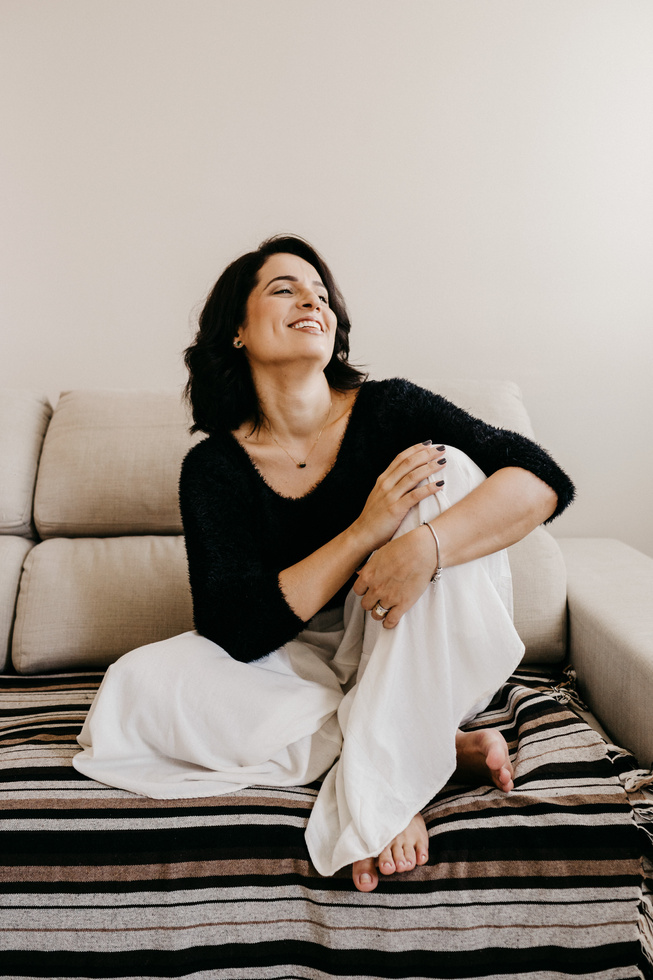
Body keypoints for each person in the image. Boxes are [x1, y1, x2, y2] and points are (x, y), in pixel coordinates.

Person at [74, 235, 574, 893]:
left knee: (447, 468)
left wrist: (420, 549)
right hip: (302, 667)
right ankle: (428, 747)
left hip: (415, 639)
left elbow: (542, 479)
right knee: (136, 685)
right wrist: (365, 531)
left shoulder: (391, 408)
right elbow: (237, 629)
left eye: (320, 293)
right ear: (236, 331)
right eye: (284, 288)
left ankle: (386, 792)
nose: (312, 299)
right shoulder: (214, 467)